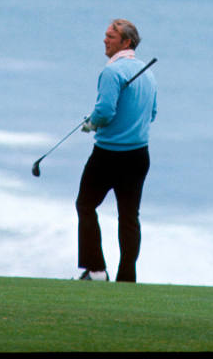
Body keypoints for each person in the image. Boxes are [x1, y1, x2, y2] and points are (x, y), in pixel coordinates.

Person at [75, 19, 157, 283]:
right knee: (129, 216)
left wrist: (91, 123)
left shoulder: (112, 72)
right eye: (106, 35)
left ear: (126, 42)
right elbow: (152, 114)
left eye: (111, 36)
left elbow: (105, 112)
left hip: (108, 155)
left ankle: (97, 271)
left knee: (86, 205)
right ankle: (126, 279)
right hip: (138, 155)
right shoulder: (147, 72)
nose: (105, 40)